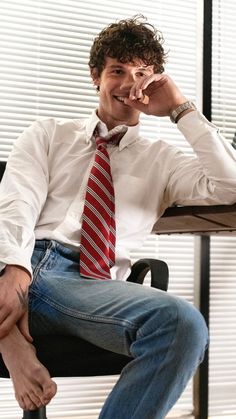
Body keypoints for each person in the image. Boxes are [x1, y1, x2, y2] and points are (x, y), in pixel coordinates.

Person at [0, 15, 236, 419]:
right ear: (96, 75)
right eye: (118, 71)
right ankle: (10, 341)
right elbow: (18, 202)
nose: (130, 84)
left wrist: (181, 109)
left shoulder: (163, 161)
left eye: (142, 73)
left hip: (94, 286)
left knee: (183, 326)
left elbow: (230, 188)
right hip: (33, 262)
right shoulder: (48, 133)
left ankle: (10, 339)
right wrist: (15, 268)